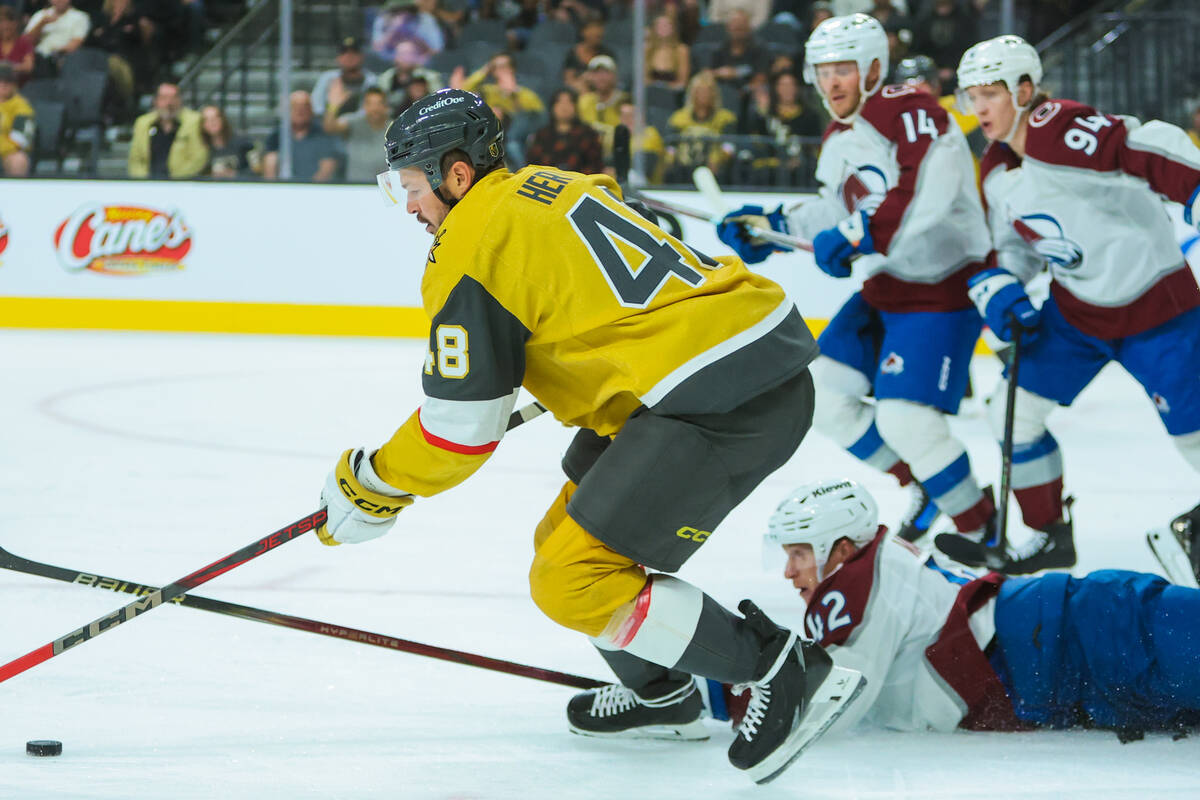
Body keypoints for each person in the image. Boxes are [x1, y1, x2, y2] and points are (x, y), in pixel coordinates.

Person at [330, 87, 864, 784]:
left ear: (456, 174)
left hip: (717, 400)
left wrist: (374, 483)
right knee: (561, 543)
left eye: (411, 186)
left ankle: (782, 670)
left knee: (572, 579)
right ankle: (663, 694)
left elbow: (460, 431)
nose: (409, 206)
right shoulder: (553, 185)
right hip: (728, 363)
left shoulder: (470, 246)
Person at [716, 14, 994, 550]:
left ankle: (984, 531)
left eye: (843, 68)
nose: (831, 82)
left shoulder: (910, 111)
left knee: (906, 420)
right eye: (822, 70)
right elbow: (832, 206)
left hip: (943, 289)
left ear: (872, 67)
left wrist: (859, 232)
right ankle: (928, 486)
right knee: (819, 396)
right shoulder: (841, 134)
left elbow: (924, 195)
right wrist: (773, 226)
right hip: (888, 289)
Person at [934, 35, 1200, 572]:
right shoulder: (996, 166)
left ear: (1025, 89)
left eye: (990, 93)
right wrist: (1004, 282)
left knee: (1194, 439)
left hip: (1158, 310)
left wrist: (1195, 186)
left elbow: (1142, 142)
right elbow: (1015, 241)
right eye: (970, 96)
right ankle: (1050, 534)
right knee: (1012, 414)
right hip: (1077, 315)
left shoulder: (1057, 126)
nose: (978, 107)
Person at [759, 478, 1200, 738]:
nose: (789, 572)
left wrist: (725, 684)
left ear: (837, 548)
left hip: (1087, 636)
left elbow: (824, 706)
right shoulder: (878, 559)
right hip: (1080, 658)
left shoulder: (852, 586)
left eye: (798, 554)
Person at [84, 0, 154, 122]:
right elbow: (89, 42)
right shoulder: (100, 19)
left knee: (111, 64)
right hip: (99, 63)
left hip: (126, 63)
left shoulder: (133, 19)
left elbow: (139, 42)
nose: (120, 3)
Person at [128, 82, 208, 179]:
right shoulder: (142, 123)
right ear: (155, 101)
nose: (169, 103)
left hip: (182, 183)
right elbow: (135, 159)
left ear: (180, 100)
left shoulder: (194, 121)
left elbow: (199, 157)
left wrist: (175, 180)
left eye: (174, 98)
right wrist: (143, 180)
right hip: (148, 183)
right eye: (164, 98)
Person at [666, 70, 736, 180]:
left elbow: (729, 147)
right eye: (699, 91)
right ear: (692, 93)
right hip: (684, 169)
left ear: (714, 94)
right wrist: (670, 161)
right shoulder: (678, 118)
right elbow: (671, 148)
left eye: (707, 91)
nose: (703, 95)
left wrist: (719, 160)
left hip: (714, 171)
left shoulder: (726, 118)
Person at [262, 90, 340, 182]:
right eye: (295, 106)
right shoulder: (276, 136)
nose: (300, 110)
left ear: (312, 110)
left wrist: (310, 189)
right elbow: (270, 165)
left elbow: (328, 167)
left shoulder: (323, 135)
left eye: (305, 106)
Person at [523, 87, 604, 175]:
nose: (564, 107)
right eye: (559, 102)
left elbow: (595, 166)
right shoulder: (542, 135)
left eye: (569, 102)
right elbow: (532, 166)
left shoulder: (588, 134)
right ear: (552, 107)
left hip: (580, 183)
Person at [323, 86, 392, 183]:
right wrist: (333, 106)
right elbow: (329, 128)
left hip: (385, 189)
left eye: (379, 103)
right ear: (363, 106)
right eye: (369, 103)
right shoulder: (353, 122)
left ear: (386, 107)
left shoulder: (393, 129)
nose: (374, 108)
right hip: (354, 187)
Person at [311, 36, 379, 119]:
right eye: (344, 53)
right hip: (328, 124)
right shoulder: (327, 78)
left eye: (354, 52)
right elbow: (316, 107)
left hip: (360, 128)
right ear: (338, 58)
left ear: (361, 56)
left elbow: (371, 112)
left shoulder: (371, 80)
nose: (349, 56)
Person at [577, 54, 627, 156]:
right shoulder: (584, 101)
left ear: (614, 75)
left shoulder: (625, 101)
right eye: (596, 73)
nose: (600, 77)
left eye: (605, 72)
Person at [24, 0, 88, 76]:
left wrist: (55, 52)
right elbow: (25, 41)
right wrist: (41, 24)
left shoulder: (80, 17)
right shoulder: (41, 15)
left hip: (60, 59)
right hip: (35, 58)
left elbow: (75, 44)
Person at [199, 104, 253, 179]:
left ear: (223, 119)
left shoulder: (243, 143)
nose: (211, 122)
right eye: (206, 120)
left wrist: (236, 175)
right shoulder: (200, 148)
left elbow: (257, 170)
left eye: (215, 118)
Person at [561, 16, 612, 95]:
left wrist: (594, 78)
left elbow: (612, 79)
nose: (597, 31)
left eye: (599, 27)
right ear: (583, 31)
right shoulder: (572, 53)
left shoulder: (607, 54)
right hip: (578, 91)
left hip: (601, 92)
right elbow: (568, 81)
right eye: (592, 27)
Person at [0, 62, 32, 176]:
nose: (3, 84)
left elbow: (21, 139)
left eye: (8, 81)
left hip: (8, 153)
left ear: (14, 84)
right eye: (0, 80)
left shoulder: (22, 106)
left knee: (19, 160)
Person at [644, 12, 689, 91]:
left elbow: (683, 82)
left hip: (673, 94)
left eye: (667, 25)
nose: (663, 28)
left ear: (673, 28)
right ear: (654, 29)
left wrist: (666, 88)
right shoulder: (648, 49)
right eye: (660, 26)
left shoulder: (681, 50)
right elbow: (644, 78)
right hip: (651, 92)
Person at [0, 7, 35, 84]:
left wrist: (7, 68)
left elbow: (28, 67)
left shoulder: (24, 41)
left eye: (9, 21)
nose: (5, 25)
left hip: (21, 87)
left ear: (15, 24)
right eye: (1, 21)